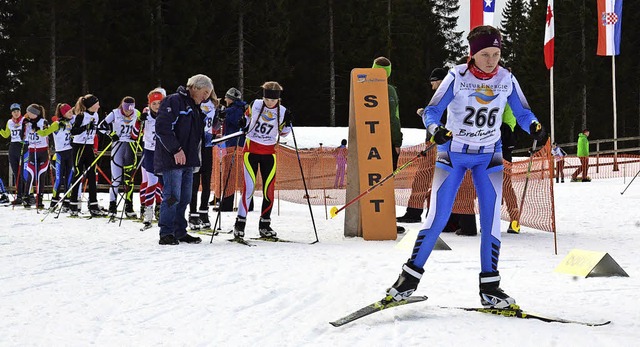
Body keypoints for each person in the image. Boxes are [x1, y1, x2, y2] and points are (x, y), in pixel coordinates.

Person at [384, 25, 546, 309]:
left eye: (496, 54)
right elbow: (432, 111)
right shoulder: (456, 76)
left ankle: (490, 287)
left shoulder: (507, 78)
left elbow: (522, 112)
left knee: (492, 221)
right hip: (453, 155)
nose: (491, 60)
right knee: (437, 217)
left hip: (489, 156)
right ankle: (407, 281)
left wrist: (533, 126)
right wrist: (436, 129)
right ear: (473, 54)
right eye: (485, 54)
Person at [155, 74, 213, 245]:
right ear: (194, 87)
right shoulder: (173, 101)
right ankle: (166, 232)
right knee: (172, 196)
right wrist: (176, 149)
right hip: (173, 159)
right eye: (205, 92)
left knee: (186, 197)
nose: (206, 96)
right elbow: (162, 128)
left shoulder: (195, 107)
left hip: (188, 160)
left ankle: (180, 230)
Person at [232, 81, 292, 240]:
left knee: (268, 190)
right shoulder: (256, 104)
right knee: (249, 188)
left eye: (273, 100)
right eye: (267, 99)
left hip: (269, 152)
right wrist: (242, 122)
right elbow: (245, 119)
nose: (270, 103)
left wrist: (288, 124)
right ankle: (240, 224)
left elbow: (284, 133)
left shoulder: (283, 111)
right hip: (251, 150)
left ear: (278, 99)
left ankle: (265, 224)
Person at [372, 56, 404, 234]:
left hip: (368, 143)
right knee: (386, 181)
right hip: (387, 142)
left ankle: (371, 218)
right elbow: (394, 118)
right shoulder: (389, 90)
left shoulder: (362, 86)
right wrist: (397, 141)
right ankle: (386, 220)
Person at [99, 96, 141, 218]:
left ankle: (129, 205)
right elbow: (101, 127)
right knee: (116, 179)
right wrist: (111, 134)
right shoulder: (115, 113)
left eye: (130, 110)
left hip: (131, 147)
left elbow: (142, 127)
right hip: (117, 146)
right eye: (126, 109)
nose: (128, 112)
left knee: (129, 179)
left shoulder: (137, 113)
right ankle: (112, 205)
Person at [68, 94, 108, 217]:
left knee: (92, 175)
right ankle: (73, 204)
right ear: (91, 105)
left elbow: (97, 129)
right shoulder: (81, 116)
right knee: (78, 174)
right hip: (79, 147)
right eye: (97, 104)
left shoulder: (95, 115)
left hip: (89, 147)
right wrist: (85, 127)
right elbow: (73, 131)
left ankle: (93, 204)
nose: (99, 106)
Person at [188, 91, 221, 230]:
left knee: (206, 180)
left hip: (207, 145)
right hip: (195, 145)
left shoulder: (214, 105)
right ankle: (193, 214)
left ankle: (204, 212)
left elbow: (215, 126)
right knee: (194, 182)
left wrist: (220, 120)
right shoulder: (194, 102)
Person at [214, 87, 248, 212]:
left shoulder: (231, 111)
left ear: (231, 99)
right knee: (243, 175)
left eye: (227, 98)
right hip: (242, 145)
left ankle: (227, 203)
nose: (225, 100)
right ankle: (248, 202)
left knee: (230, 174)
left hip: (233, 144)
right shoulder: (244, 109)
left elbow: (235, 123)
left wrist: (224, 116)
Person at [139, 88, 166, 229]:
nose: (157, 106)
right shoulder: (146, 115)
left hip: (162, 152)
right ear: (149, 104)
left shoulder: (166, 114)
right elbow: (134, 133)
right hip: (149, 152)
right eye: (154, 103)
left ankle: (159, 207)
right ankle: (148, 211)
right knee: (152, 182)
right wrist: (140, 122)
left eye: (159, 103)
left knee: (161, 182)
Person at [40, 103, 75, 211]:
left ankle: (66, 203)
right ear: (63, 113)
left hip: (70, 153)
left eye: (71, 112)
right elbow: (44, 133)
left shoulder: (72, 122)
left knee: (69, 179)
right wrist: (37, 128)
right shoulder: (56, 124)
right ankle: (54, 202)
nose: (71, 114)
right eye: (69, 112)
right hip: (60, 154)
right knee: (59, 180)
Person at [22, 104, 50, 208]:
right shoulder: (27, 123)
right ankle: (27, 197)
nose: (27, 114)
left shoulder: (43, 122)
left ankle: (40, 198)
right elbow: (23, 137)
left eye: (29, 112)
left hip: (42, 151)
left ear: (34, 113)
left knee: (41, 175)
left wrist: (38, 129)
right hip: (32, 151)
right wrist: (23, 126)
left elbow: (47, 133)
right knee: (31, 174)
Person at [500, 104, 521, 234]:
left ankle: (515, 220)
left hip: (504, 135)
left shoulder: (506, 97)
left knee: (505, 184)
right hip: (499, 137)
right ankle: (491, 220)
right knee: (492, 185)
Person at [0, 103, 27, 204]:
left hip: (23, 146)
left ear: (20, 111)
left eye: (18, 111)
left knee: (24, 173)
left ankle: (28, 194)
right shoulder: (9, 122)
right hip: (13, 147)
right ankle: (19, 196)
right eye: (14, 112)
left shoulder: (25, 120)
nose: (16, 113)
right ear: (11, 113)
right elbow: (6, 134)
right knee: (16, 173)